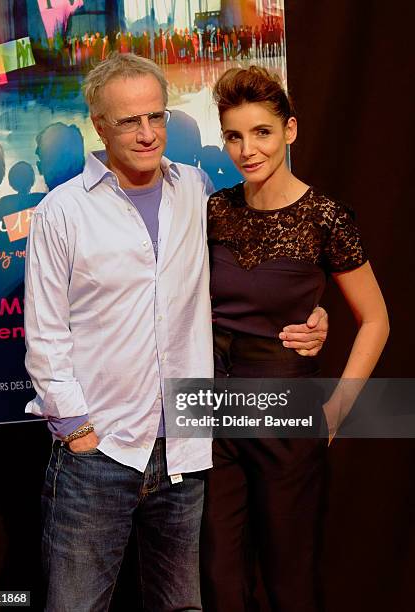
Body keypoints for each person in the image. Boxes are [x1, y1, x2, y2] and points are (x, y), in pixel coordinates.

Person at [24, 54, 328, 611]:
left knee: (183, 606)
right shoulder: (60, 213)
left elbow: (242, 282)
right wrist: (78, 431)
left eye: (156, 117)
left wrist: (314, 313)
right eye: (128, 121)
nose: (147, 134)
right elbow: (44, 336)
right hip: (102, 450)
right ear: (99, 125)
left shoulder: (198, 190)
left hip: (188, 454)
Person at [200, 65, 389, 612]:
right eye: (234, 135)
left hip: (286, 411)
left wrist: (337, 410)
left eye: (261, 132)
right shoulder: (216, 210)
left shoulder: (326, 217)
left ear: (290, 130)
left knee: (289, 579)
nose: (246, 149)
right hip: (212, 413)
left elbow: (376, 319)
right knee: (217, 577)